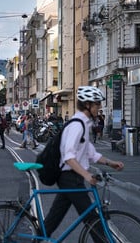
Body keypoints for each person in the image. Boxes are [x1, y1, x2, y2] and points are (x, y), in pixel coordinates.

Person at [43, 86, 124, 240]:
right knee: (92, 220)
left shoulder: (83, 124)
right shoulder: (77, 125)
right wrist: (87, 175)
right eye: (97, 104)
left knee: (53, 219)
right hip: (70, 178)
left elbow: (89, 152)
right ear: (87, 105)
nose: (99, 108)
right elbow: (69, 157)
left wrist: (110, 162)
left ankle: (37, 238)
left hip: (71, 178)